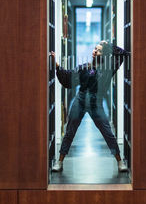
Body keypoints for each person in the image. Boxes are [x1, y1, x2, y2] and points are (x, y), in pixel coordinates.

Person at [50, 40, 129, 172]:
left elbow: (123, 53)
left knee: (107, 133)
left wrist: (107, 44)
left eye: (98, 50)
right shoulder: (84, 68)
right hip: (79, 101)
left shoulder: (108, 68)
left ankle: (120, 162)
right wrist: (57, 65)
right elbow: (67, 78)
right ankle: (60, 162)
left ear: (104, 54)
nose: (94, 51)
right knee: (70, 132)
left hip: (96, 104)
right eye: (94, 49)